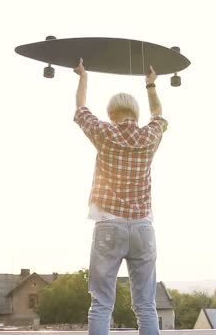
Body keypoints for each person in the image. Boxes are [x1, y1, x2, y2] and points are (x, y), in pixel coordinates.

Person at [73, 58, 168, 335]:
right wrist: (150, 85)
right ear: (135, 114)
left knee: (101, 304)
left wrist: (83, 76)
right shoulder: (150, 136)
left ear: (111, 114)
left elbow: (80, 110)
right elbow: (159, 115)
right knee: (146, 305)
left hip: (109, 226)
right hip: (142, 228)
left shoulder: (104, 133)